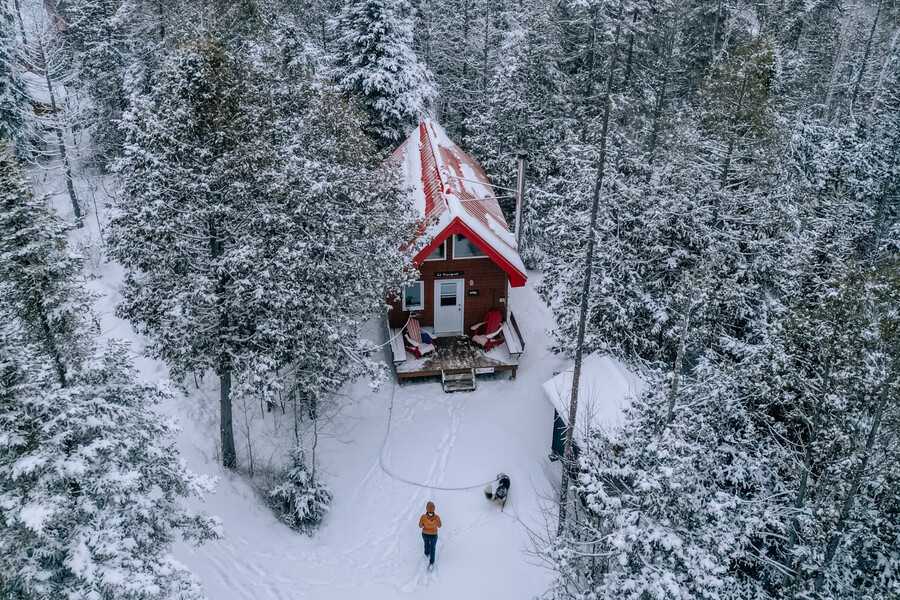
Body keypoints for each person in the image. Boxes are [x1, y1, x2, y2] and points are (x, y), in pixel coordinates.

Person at [418, 501, 442, 569]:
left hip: (425, 534)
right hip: (433, 535)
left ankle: (426, 553)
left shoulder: (423, 517)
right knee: (433, 548)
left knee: (426, 543)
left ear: (427, 509)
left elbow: (420, 525)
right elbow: (439, 525)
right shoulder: (437, 518)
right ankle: (431, 562)